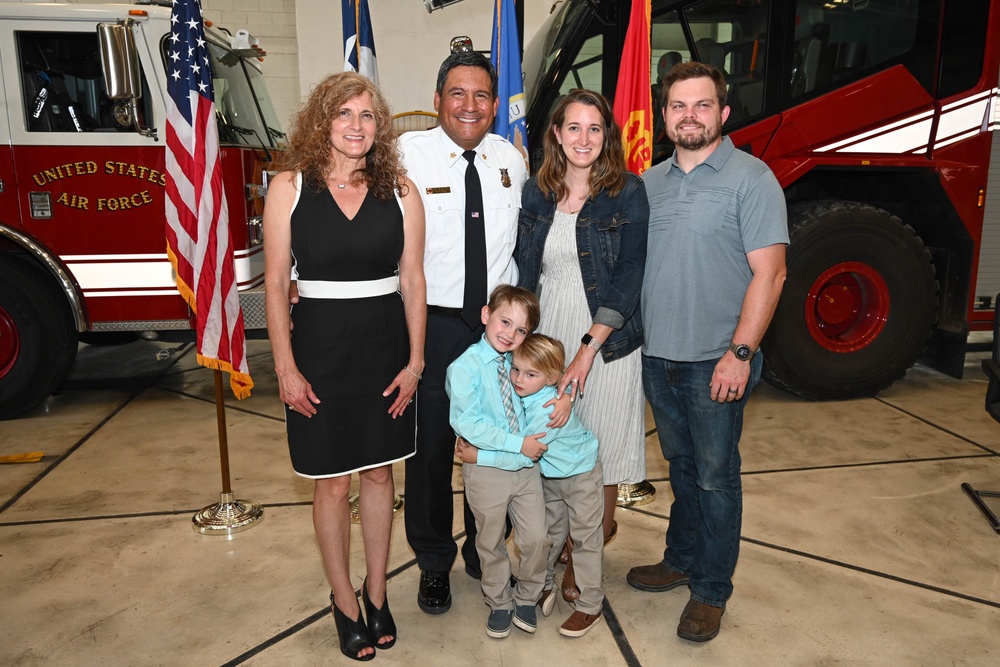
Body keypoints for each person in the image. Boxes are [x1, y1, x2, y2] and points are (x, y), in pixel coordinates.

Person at [263, 72, 426, 661]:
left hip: (384, 348)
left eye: (367, 115)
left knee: (381, 475)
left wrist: (416, 363)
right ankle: (344, 602)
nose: (356, 126)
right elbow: (277, 285)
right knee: (332, 483)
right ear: (322, 121)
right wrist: (284, 367)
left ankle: (377, 591)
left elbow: (412, 281)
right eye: (344, 114)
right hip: (319, 354)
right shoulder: (290, 187)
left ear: (379, 127)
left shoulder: (401, 190)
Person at [399, 50, 567, 615]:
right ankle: (432, 562)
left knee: (491, 443)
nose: (469, 106)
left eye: (480, 96)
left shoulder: (511, 160)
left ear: (496, 105)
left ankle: (483, 548)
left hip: (497, 330)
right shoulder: (407, 156)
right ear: (438, 100)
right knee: (430, 451)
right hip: (436, 323)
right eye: (457, 93)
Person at [628, 61, 788, 643]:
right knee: (683, 468)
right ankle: (681, 558)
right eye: (677, 106)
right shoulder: (649, 183)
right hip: (658, 359)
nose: (688, 115)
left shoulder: (752, 178)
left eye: (701, 105)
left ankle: (711, 591)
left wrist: (740, 354)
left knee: (718, 478)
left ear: (722, 113)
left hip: (717, 360)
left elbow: (770, 275)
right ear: (664, 115)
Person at [515, 88, 649, 602]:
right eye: (574, 127)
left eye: (595, 129)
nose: (584, 138)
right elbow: (526, 272)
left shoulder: (627, 192)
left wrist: (589, 348)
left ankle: (582, 554)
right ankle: (555, 545)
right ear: (556, 134)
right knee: (556, 445)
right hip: (550, 338)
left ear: (607, 136)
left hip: (608, 341)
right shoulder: (536, 192)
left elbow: (630, 275)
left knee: (604, 451)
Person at [456, 333, 606, 638]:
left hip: (580, 476)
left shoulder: (548, 410)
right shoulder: (523, 391)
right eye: (515, 369)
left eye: (529, 374)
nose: (518, 379)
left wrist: (478, 455)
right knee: (548, 536)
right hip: (549, 478)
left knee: (584, 539)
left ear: (551, 377)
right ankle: (543, 585)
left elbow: (524, 456)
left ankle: (591, 606)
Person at [445, 284, 549, 639]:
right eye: (505, 322)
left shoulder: (520, 363)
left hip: (525, 471)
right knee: (490, 541)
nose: (511, 334)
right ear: (486, 316)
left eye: (521, 330)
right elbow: (468, 424)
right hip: (488, 471)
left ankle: (527, 596)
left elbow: (542, 391)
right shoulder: (465, 368)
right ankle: (500, 601)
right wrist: (518, 444)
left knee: (536, 538)